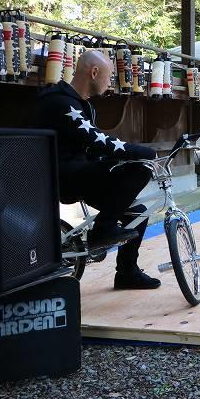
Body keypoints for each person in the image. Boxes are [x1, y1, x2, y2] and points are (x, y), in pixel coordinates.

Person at [34, 50, 160, 290]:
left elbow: (91, 148)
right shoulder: (60, 101)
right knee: (140, 166)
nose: (110, 82)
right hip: (62, 176)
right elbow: (96, 140)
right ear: (94, 72)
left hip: (81, 173)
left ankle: (127, 273)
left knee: (137, 213)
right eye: (109, 76)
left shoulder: (85, 106)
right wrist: (142, 152)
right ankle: (103, 228)